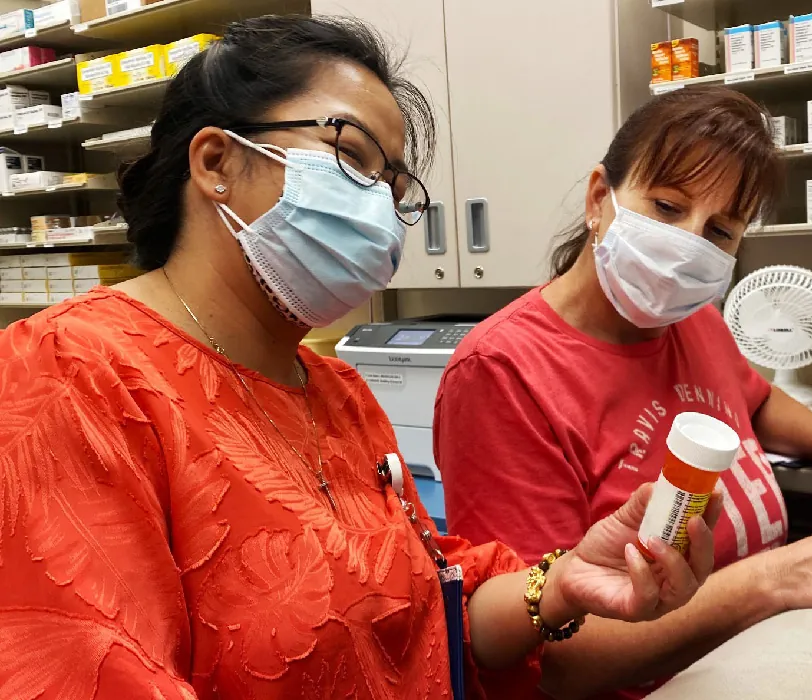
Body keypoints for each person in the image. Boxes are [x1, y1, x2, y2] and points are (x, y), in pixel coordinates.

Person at [0, 16, 724, 699]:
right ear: (217, 160)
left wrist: (563, 585)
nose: (379, 207)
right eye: (350, 157)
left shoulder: (336, 389)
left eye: (392, 183)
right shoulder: (72, 373)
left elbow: (428, 615)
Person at [434, 85, 812, 700]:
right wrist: (779, 578)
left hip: (768, 652)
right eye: (668, 207)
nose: (687, 245)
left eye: (721, 230)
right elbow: (549, 661)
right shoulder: (503, 372)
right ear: (600, 198)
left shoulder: (689, 318)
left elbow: (753, 399)